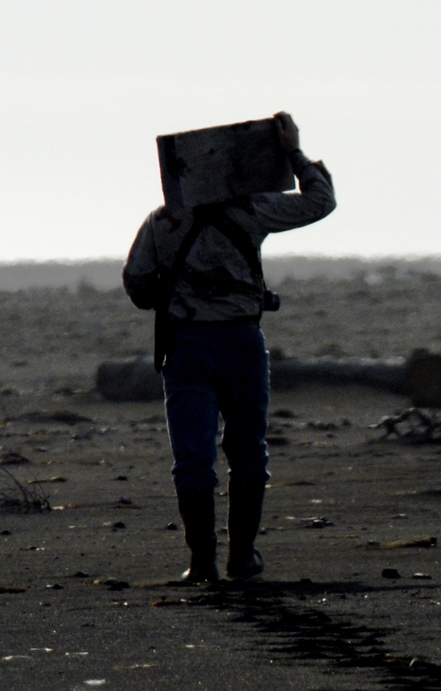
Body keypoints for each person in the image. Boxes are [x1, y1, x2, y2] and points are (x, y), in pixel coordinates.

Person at [122, 112, 335, 583]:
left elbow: (136, 286)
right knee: (247, 451)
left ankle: (202, 563)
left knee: (193, 457)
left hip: (186, 347)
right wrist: (294, 151)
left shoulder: (162, 221)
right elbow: (320, 201)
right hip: (241, 341)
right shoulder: (253, 209)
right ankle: (242, 557)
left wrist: (180, 292)